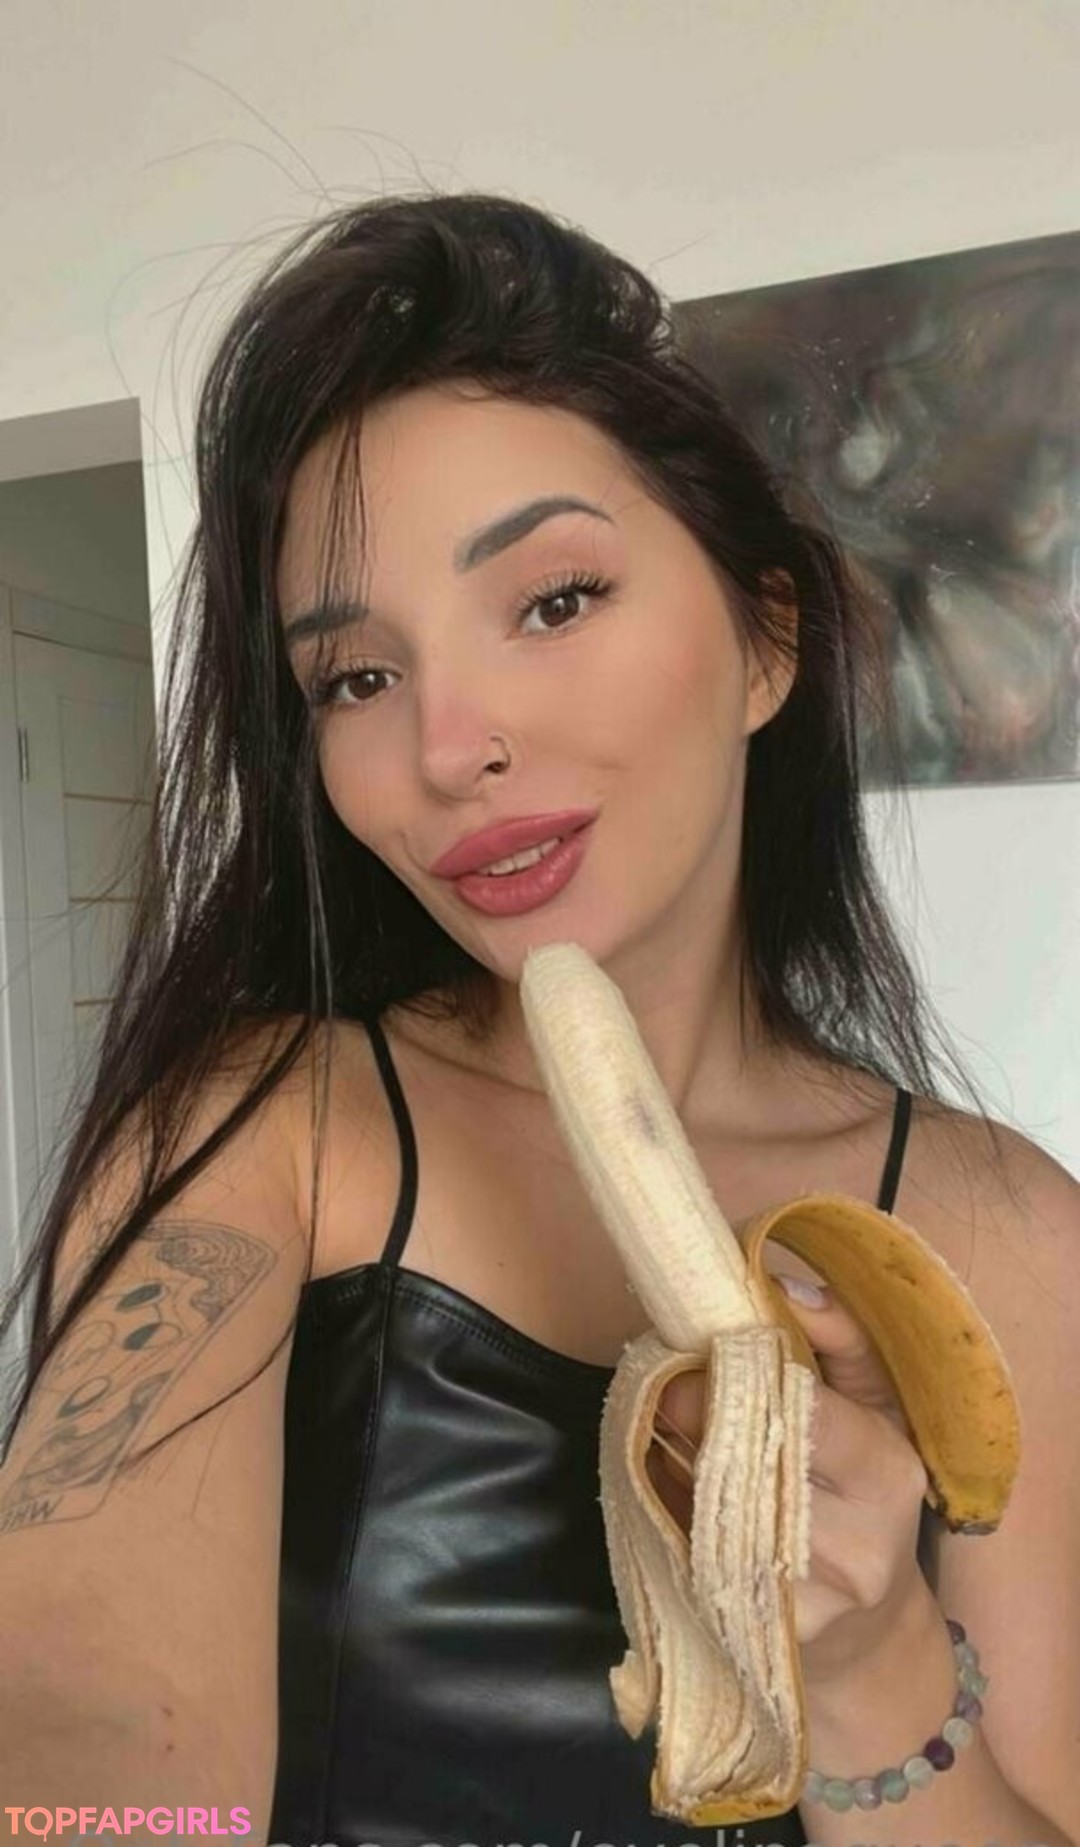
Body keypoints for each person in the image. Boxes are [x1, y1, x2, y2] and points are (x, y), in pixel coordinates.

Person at [0, 192, 1077, 1847]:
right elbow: (78, 1713)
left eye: (555, 601)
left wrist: (871, 1677)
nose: (451, 747)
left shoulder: (1007, 1234)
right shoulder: (265, 1136)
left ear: (766, 642)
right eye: (357, 678)